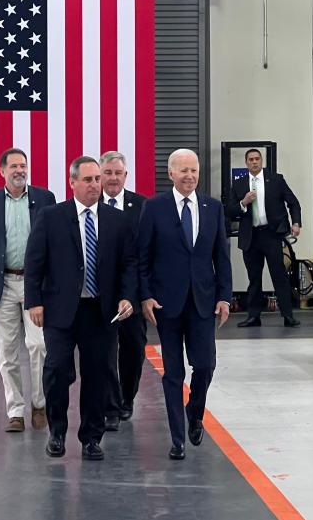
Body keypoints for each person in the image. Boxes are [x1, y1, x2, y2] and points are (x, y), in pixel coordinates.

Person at [24, 156, 137, 460]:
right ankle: (57, 432)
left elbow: (128, 264)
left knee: (97, 374)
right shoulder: (51, 217)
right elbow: (34, 263)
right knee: (57, 371)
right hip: (60, 311)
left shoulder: (117, 221)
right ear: (72, 182)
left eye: (98, 179)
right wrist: (33, 301)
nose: (95, 185)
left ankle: (91, 437)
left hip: (101, 312)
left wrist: (128, 297)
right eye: (87, 180)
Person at [137, 148, 232, 460]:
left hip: (203, 302)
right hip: (166, 303)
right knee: (173, 372)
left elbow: (222, 256)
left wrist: (224, 296)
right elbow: (144, 257)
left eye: (194, 170)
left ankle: (195, 412)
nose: (190, 176)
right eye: (183, 171)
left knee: (205, 365)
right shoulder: (154, 208)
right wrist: (145, 295)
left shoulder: (213, 207)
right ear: (171, 174)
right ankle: (177, 438)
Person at [0, 148, 56, 433]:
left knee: (39, 345)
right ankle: (15, 411)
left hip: (36, 286)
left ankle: (39, 405)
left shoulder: (45, 199)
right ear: (2, 171)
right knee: (7, 352)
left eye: (24, 166)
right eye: (14, 166)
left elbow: (55, 246)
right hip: (1, 285)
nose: (20, 170)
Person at [98, 150, 147, 429]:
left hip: (134, 294)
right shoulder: (90, 205)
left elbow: (148, 252)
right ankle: (111, 406)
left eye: (118, 173)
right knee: (103, 351)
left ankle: (127, 399)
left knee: (133, 349)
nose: (113, 178)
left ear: (125, 176)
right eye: (108, 173)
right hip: (99, 294)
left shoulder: (142, 206)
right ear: (100, 175)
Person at [225, 149, 302, 328]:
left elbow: (293, 202)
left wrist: (296, 223)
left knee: (279, 275)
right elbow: (229, 210)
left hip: (272, 234)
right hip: (250, 236)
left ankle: (288, 315)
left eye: (257, 159)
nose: (254, 162)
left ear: (262, 161)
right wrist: (243, 202)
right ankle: (253, 316)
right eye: (251, 160)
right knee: (254, 278)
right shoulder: (239, 184)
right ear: (246, 163)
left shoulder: (276, 179)